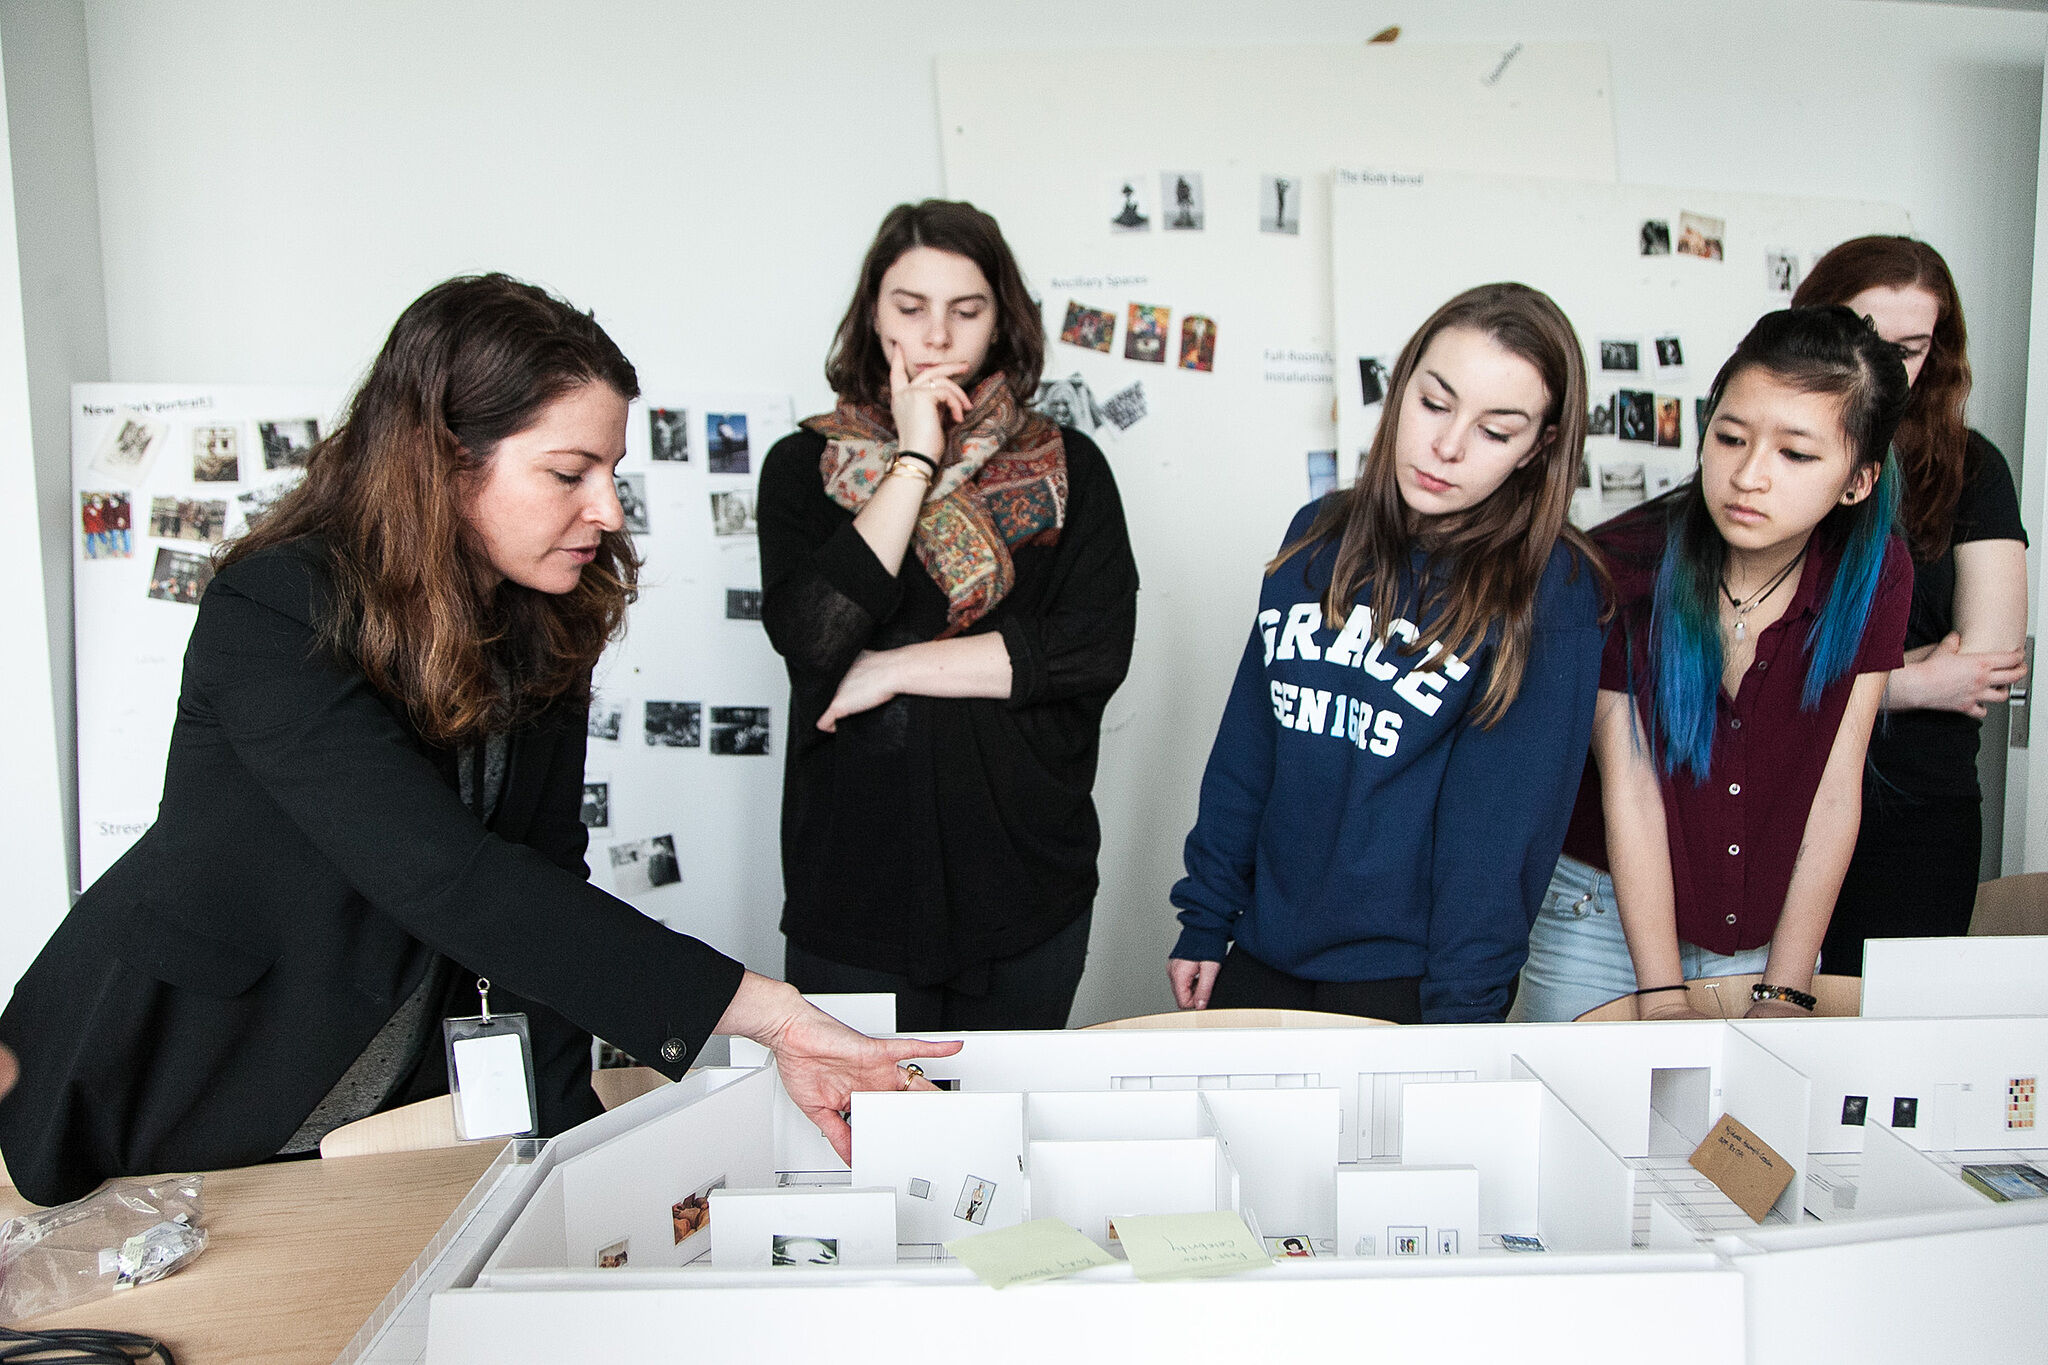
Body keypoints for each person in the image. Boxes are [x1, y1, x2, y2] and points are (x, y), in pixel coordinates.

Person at [0, 274, 957, 1210]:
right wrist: (775, 1015)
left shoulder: (543, 616)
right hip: (186, 1085)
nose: (610, 510)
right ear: (444, 460)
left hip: (389, 1107)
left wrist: (576, 1159)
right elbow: (449, 878)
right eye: (568, 472)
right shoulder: (271, 609)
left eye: (613, 472)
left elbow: (540, 884)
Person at [1168, 283, 1605, 1024]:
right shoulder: (1316, 534)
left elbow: (1499, 845)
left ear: (1543, 447)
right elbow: (1250, 746)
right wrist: (1206, 916)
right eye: (1435, 403)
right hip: (1258, 951)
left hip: (1409, 986)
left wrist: (1462, 1021)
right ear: (1400, 388)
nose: (1447, 446)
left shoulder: (1553, 593)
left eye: (1497, 431)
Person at [759, 200, 1138, 1032]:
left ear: (1001, 323)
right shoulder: (802, 468)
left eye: (965, 312)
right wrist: (916, 455)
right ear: (871, 315)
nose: (937, 338)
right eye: (910, 309)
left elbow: (1089, 649)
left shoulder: (1071, 468)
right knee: (853, 1154)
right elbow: (815, 634)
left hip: (1025, 888)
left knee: (1003, 1152)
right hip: (852, 891)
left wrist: (894, 669)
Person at [1511, 307, 1913, 1023]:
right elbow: (1630, 789)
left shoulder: (1874, 571)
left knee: (1751, 1131)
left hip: (1768, 930)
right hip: (1601, 916)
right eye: (1730, 437)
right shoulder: (1616, 562)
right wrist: (1662, 998)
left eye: (1796, 454)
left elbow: (1833, 790)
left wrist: (1787, 991)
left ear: (1858, 481)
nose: (1748, 476)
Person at [1792, 238, 2029, 973]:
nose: (1888, 366)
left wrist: (1838, 672)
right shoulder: (1776, 452)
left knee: (1890, 1050)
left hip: (1920, 813)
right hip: (1782, 794)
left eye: (1913, 346)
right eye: (1867, 337)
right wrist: (1918, 677)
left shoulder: (1974, 465)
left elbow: (1989, 661)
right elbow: (1740, 660)